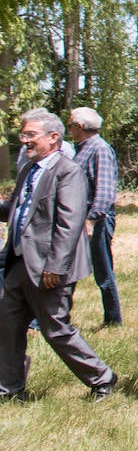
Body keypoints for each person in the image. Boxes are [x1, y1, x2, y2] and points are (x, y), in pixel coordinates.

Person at [0, 109, 118, 401]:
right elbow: (16, 210)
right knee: (7, 324)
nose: (25, 141)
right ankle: (9, 389)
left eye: (31, 135)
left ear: (53, 138)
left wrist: (56, 266)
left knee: (55, 329)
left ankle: (103, 378)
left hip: (48, 267)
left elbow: (70, 221)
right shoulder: (29, 168)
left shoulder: (68, 171)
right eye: (23, 135)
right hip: (18, 262)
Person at [67, 106, 123, 327]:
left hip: (95, 221)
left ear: (80, 127)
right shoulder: (81, 149)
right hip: (77, 219)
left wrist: (91, 221)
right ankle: (54, 317)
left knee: (102, 270)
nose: (68, 129)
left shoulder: (99, 149)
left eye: (70, 125)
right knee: (65, 267)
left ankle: (113, 320)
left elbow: (105, 191)